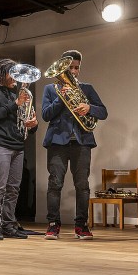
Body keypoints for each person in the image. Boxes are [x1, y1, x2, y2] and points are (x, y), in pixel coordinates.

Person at [41, 50, 107, 241]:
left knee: (82, 185)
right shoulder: (51, 89)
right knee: (55, 184)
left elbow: (103, 112)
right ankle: (53, 225)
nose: (74, 71)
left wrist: (89, 108)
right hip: (57, 142)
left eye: (76, 68)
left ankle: (81, 225)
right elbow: (46, 115)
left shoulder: (87, 88)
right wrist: (60, 98)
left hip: (82, 142)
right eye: (70, 68)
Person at [0, 58, 38, 241]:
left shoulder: (16, 94)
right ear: (2, 74)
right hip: (0, 144)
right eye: (12, 73)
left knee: (13, 188)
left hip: (18, 145)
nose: (16, 77)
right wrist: (16, 104)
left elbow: (26, 123)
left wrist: (33, 124)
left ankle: (8, 224)